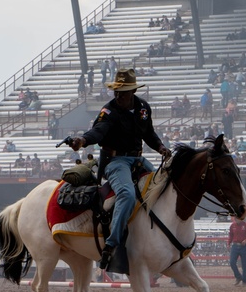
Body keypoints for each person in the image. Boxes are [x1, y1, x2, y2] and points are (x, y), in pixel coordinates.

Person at [69, 68, 171, 272]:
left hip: (137, 159)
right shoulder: (109, 111)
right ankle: (112, 244)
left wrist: (160, 147)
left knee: (164, 184)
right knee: (126, 193)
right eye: (116, 91)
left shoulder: (143, 108)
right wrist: (83, 140)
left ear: (132, 91)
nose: (118, 96)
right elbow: (98, 131)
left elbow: (148, 132)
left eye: (122, 92)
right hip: (115, 161)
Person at [228, 216, 246, 286]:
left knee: (244, 264)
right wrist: (228, 243)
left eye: (238, 218)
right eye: (236, 218)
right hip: (235, 245)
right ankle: (238, 276)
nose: (236, 220)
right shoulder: (232, 225)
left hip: (243, 246)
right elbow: (231, 235)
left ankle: (244, 280)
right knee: (232, 262)